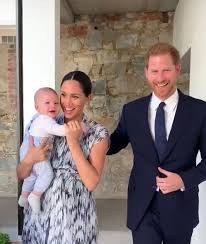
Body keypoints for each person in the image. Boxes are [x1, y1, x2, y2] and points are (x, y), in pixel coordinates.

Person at [107, 42, 206, 244]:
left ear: (177, 69)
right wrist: (87, 134)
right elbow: (113, 144)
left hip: (180, 207)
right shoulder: (131, 111)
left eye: (166, 70)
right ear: (146, 72)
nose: (160, 78)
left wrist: (183, 180)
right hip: (143, 208)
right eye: (154, 71)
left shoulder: (199, 111)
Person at [16, 71, 109, 244]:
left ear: (88, 97)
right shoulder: (45, 122)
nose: (66, 102)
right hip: (40, 211)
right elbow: (21, 174)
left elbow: (91, 182)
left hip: (74, 216)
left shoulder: (97, 133)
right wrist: (30, 159)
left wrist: (73, 141)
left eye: (75, 96)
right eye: (63, 95)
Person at [18, 87, 66, 213]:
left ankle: (24, 196)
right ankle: (35, 195)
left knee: (32, 176)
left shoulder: (36, 118)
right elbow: (60, 131)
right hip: (37, 152)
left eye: (56, 103)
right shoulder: (45, 120)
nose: (53, 106)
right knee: (46, 174)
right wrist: (74, 128)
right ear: (37, 107)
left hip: (27, 154)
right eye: (47, 103)